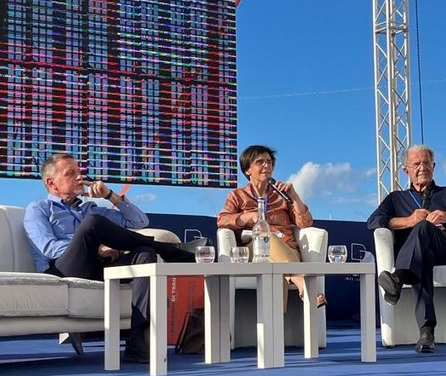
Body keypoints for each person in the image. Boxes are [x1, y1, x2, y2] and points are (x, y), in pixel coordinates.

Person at [23, 153, 195, 364]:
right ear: (52, 183)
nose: (80, 178)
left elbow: (140, 221)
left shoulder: (89, 207)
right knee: (93, 223)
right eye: (71, 174)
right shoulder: (38, 209)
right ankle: (173, 252)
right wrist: (97, 249)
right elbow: (49, 248)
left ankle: (137, 343)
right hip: (63, 269)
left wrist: (110, 195)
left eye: (79, 172)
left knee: (144, 255)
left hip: (98, 269)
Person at [367, 145, 446, 353]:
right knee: (422, 256)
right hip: (419, 257)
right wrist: (407, 221)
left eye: (426, 163)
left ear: (434, 166)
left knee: (425, 228)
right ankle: (426, 332)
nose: (422, 167)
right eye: (416, 164)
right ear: (406, 170)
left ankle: (398, 277)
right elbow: (373, 221)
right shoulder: (396, 198)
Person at [217, 145, 326, 308]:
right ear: (248, 169)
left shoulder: (282, 195)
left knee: (277, 270)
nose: (266, 166)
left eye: (269, 162)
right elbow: (223, 220)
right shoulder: (237, 196)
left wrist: (295, 197)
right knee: (266, 238)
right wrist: (249, 217)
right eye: (260, 162)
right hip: (254, 253)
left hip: (287, 250)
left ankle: (274, 331)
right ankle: (301, 281)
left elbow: (305, 223)